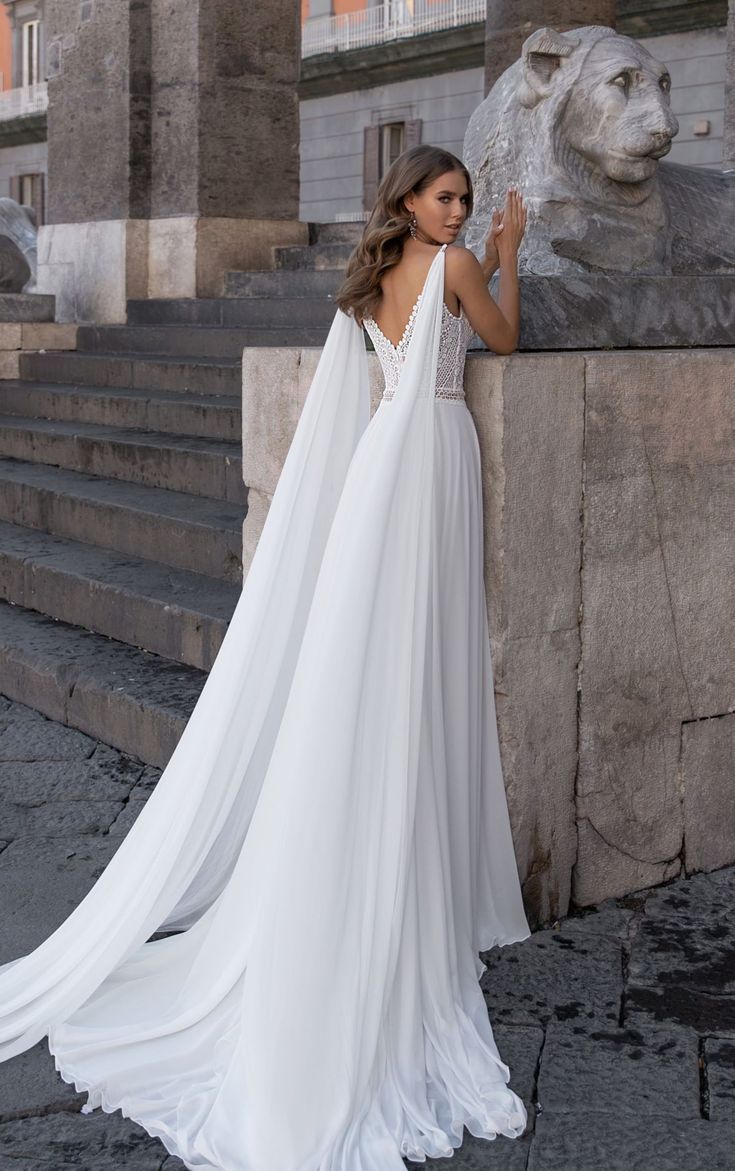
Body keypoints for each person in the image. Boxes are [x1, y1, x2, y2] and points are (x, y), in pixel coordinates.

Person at [0, 144, 530, 1170]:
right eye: (446, 197)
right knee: (415, 666)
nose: (461, 212)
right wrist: (510, 255)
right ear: (410, 200)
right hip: (432, 460)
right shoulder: (460, 268)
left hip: (392, 462)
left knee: (389, 662)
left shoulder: (373, 279)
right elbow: (502, 339)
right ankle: (397, 889)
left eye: (467, 202)